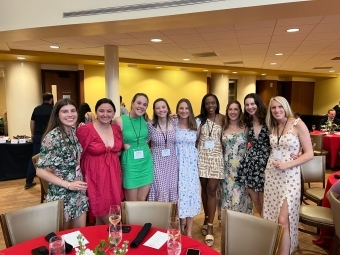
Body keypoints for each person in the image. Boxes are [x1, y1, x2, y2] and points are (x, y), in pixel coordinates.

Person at [263, 96, 313, 255]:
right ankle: (277, 249)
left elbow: (310, 153)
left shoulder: (298, 124)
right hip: (272, 175)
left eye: (280, 107)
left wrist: (289, 163)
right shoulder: (273, 126)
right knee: (274, 217)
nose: (277, 110)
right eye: (273, 108)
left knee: (283, 219)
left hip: (290, 176)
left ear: (286, 107)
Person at [36, 98, 89, 229]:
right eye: (65, 111)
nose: (70, 114)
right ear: (57, 115)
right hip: (62, 192)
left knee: (80, 236)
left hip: (78, 190)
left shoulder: (72, 131)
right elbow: (40, 170)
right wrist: (68, 185)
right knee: (63, 239)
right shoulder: (53, 137)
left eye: (72, 111)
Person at [77, 98, 124, 225]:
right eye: (101, 111)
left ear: (114, 113)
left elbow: (118, 150)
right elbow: (77, 155)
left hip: (113, 175)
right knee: (107, 215)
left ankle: (101, 242)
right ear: (96, 112)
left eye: (109, 111)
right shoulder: (85, 130)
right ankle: (116, 238)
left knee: (108, 212)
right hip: (95, 176)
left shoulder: (116, 129)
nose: (105, 114)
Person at [113, 93, 153, 201]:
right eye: (139, 103)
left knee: (142, 199)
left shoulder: (146, 120)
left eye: (145, 104)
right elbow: (111, 140)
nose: (141, 106)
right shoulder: (120, 120)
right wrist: (122, 145)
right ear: (132, 103)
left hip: (146, 163)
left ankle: (141, 219)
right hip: (130, 163)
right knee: (131, 203)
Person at [196, 93, 224, 246]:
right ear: (204, 105)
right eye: (207, 103)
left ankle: (211, 227)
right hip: (202, 158)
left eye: (213, 102)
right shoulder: (199, 119)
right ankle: (206, 220)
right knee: (205, 188)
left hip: (216, 158)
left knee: (212, 189)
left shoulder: (222, 118)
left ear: (217, 103)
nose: (210, 105)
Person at [217, 100, 253, 219]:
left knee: (241, 195)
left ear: (240, 111)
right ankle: (228, 223)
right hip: (226, 168)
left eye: (236, 109)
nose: (233, 112)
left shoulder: (246, 127)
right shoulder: (223, 128)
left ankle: (242, 221)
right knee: (227, 194)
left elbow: (255, 144)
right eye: (230, 109)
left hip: (242, 168)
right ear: (227, 111)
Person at [237, 93, 270, 216]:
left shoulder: (268, 119)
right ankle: (263, 221)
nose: (250, 107)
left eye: (252, 104)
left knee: (265, 199)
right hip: (250, 163)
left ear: (258, 104)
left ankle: (268, 225)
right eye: (247, 105)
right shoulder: (247, 121)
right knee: (255, 198)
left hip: (266, 162)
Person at [175, 98, 201, 237]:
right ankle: (179, 228)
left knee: (190, 195)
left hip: (190, 166)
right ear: (177, 110)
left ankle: (189, 231)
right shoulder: (173, 123)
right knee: (179, 195)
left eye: (186, 108)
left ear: (190, 110)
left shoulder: (196, 124)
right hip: (177, 163)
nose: (184, 111)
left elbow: (197, 142)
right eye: (181, 108)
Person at [147, 98, 178, 202]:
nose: (161, 110)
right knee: (160, 189)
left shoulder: (175, 122)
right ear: (154, 111)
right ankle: (158, 216)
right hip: (157, 163)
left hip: (172, 164)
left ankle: (171, 217)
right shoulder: (150, 126)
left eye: (163, 107)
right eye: (158, 108)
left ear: (168, 108)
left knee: (172, 188)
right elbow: (145, 143)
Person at [25, 92, 54, 189]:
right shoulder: (53, 110)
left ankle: (28, 181)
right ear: (51, 99)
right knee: (52, 159)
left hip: (37, 136)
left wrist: (32, 134)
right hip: (49, 136)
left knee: (35, 159)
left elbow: (32, 122)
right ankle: (50, 181)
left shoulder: (36, 109)